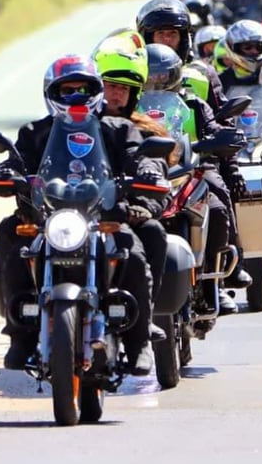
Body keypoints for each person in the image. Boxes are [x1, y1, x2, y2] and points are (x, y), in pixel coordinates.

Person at [0, 54, 167, 375]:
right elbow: (17, 161)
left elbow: (138, 159)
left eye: (82, 90)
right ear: (52, 95)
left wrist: (147, 172)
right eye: (66, 91)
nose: (75, 98)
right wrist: (5, 172)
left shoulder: (118, 128)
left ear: (94, 92)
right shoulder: (34, 132)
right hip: (49, 219)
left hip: (103, 219)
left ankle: (139, 340)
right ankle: (20, 335)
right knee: (11, 238)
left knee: (136, 251)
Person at [136, 0, 252, 299]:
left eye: (172, 34)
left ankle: (218, 275)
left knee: (219, 196)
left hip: (194, 162)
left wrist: (232, 166)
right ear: (146, 37)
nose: (166, 40)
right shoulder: (131, 78)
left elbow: (219, 120)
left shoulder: (200, 76)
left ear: (184, 37)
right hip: (141, 166)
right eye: (159, 34)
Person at [92, 28, 172, 312]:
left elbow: (154, 169)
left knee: (152, 233)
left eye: (123, 88)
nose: (115, 94)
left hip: (123, 216)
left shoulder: (146, 132)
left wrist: (143, 207)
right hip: (77, 217)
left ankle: (143, 319)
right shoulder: (70, 127)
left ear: (134, 94)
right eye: (110, 85)